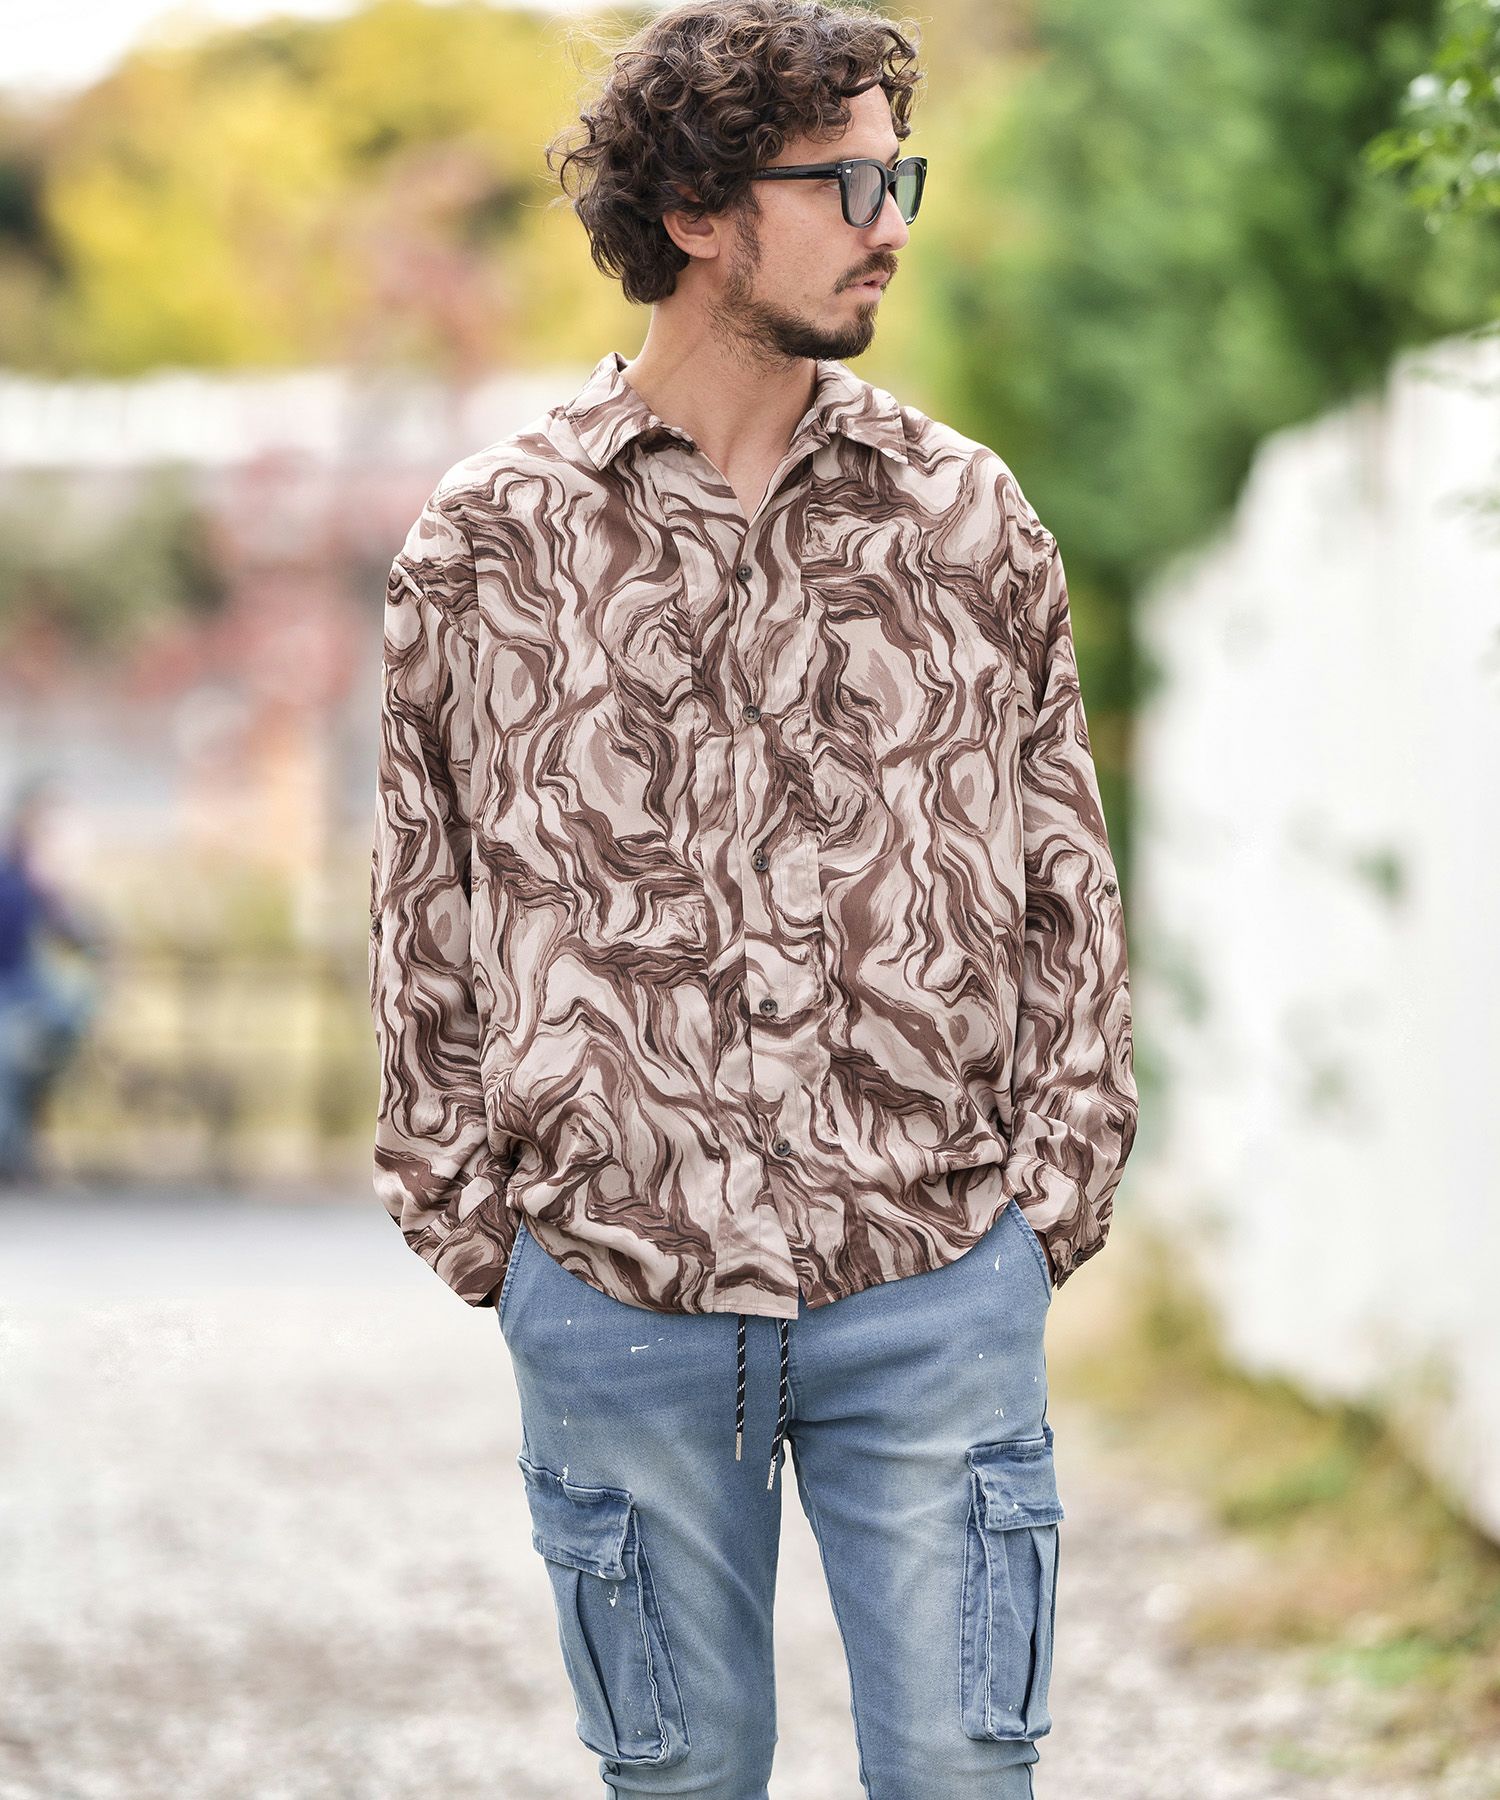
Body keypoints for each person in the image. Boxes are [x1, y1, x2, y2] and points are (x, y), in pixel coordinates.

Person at [368, 3, 1138, 1794]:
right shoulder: (489, 542)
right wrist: (493, 1238)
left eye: (900, 177)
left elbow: (1065, 876)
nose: (892, 224)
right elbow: (424, 900)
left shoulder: (968, 518)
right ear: (700, 211)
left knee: (967, 1778)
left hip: (933, 1283)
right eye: (847, 184)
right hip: (616, 1295)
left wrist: (1047, 1207)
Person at [0, 776, 105, 1182]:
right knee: (8, 1061)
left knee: (57, 1032)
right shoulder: (13, 869)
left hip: (24, 987)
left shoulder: (28, 871)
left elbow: (66, 924)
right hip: (11, 989)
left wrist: (97, 952)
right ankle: (12, 1150)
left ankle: (20, 1144)